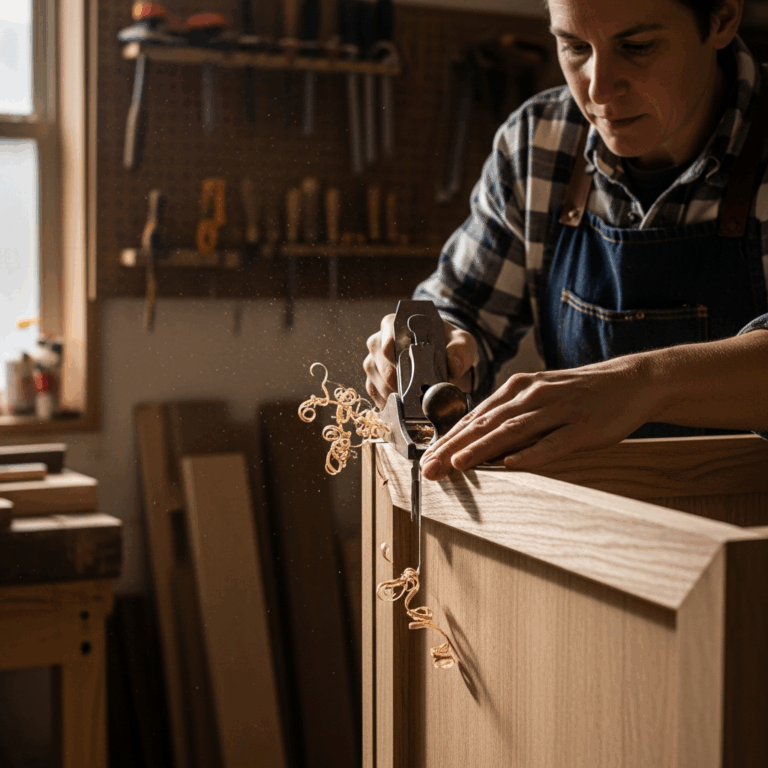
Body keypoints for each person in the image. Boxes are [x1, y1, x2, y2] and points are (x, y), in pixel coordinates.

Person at [364, 0, 768, 480]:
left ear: (721, 17)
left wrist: (642, 386)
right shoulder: (539, 143)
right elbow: (462, 306)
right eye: (575, 46)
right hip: (585, 522)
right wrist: (436, 343)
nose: (597, 88)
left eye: (636, 47)